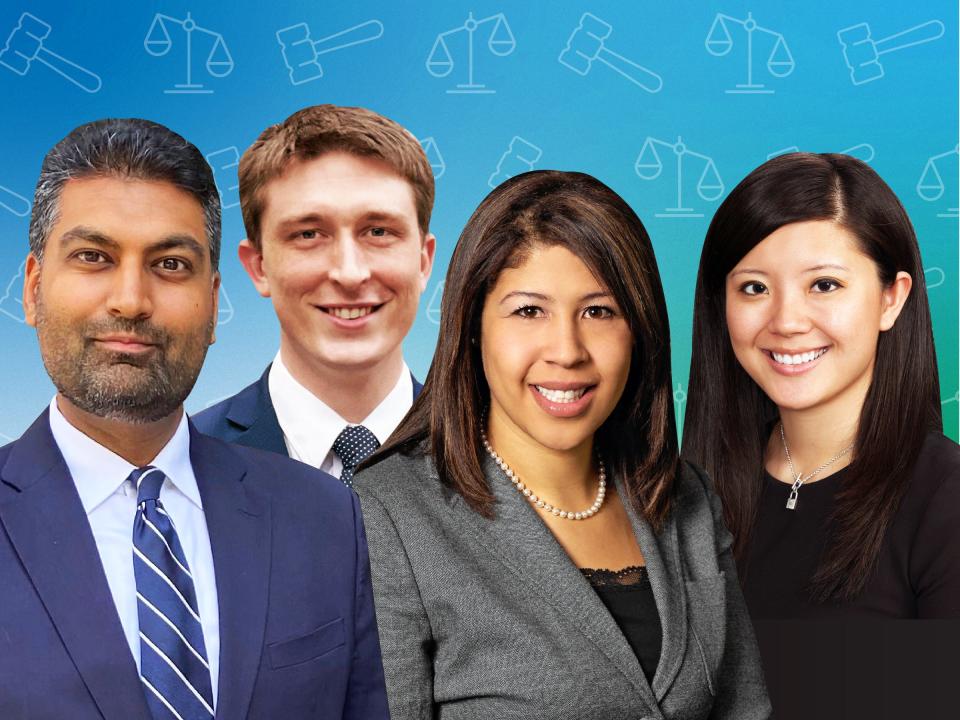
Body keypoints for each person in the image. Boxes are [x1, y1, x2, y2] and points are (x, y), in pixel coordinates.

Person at [0, 118, 388, 719]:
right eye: (93, 256)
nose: (131, 299)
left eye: (170, 264)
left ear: (212, 304)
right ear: (31, 289)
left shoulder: (324, 516)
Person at [353, 170, 771, 719]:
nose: (567, 351)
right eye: (530, 311)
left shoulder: (687, 496)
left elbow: (747, 711)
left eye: (599, 312)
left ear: (639, 330)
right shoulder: (387, 514)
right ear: (473, 326)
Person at [682, 152, 960, 618]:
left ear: (892, 299)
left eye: (824, 285)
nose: (787, 321)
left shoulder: (945, 500)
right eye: (754, 288)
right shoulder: (687, 494)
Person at [194, 105, 436, 486]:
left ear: (424, 261)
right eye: (308, 234)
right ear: (258, 266)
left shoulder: (503, 459)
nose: (350, 273)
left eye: (378, 232)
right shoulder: (185, 464)